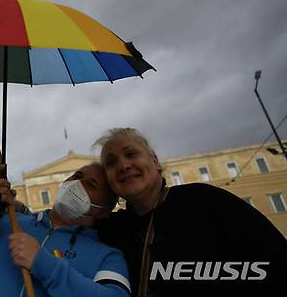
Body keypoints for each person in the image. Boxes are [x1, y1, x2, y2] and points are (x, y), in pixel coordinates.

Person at [96, 127, 287, 297]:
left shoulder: (205, 201)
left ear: (155, 162)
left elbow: (277, 261)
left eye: (131, 154)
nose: (123, 166)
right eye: (111, 163)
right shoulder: (110, 230)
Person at [0, 163, 131, 296]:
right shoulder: (8, 222)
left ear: (105, 210)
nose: (76, 184)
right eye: (76, 176)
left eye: (91, 185)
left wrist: (44, 264)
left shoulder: (108, 257)